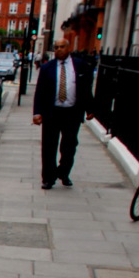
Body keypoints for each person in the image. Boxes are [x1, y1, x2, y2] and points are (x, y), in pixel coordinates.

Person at [32, 37, 95, 189]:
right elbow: (39, 92)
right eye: (57, 47)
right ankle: (48, 178)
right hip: (52, 112)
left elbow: (86, 89)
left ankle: (64, 173)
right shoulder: (47, 68)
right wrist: (37, 113)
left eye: (62, 47)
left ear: (69, 48)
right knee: (48, 146)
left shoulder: (81, 66)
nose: (59, 49)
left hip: (72, 112)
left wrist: (90, 109)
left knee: (69, 146)